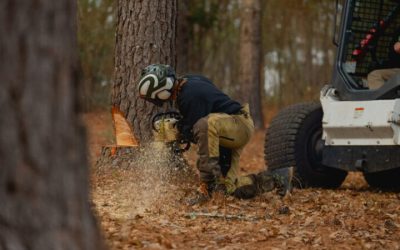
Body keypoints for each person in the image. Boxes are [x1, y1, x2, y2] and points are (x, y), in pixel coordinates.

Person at [137, 64, 292, 204]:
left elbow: (197, 129)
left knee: (203, 125)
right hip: (225, 129)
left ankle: (208, 184)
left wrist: (178, 131)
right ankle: (278, 178)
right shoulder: (188, 81)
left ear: (162, 91)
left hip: (237, 125)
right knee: (229, 189)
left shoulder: (190, 95)